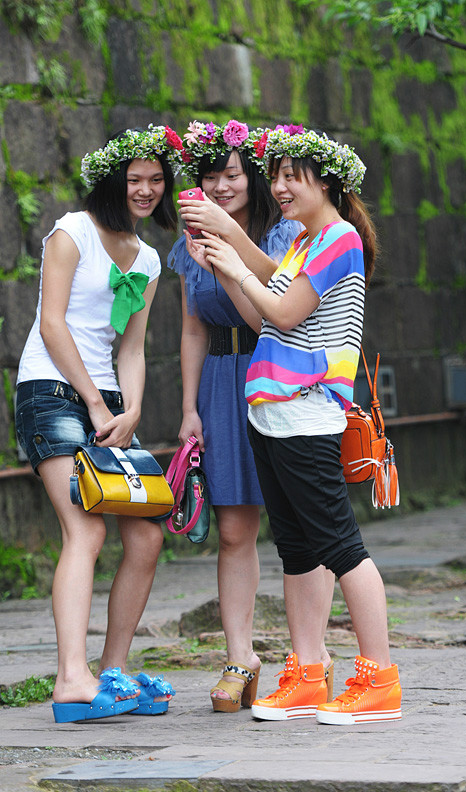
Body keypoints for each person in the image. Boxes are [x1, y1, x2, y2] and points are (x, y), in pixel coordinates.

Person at [190, 125, 402, 725]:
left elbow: (281, 312)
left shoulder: (338, 239)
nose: (278, 186)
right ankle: (308, 674)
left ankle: (378, 676)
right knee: (298, 549)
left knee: (340, 546)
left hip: (308, 412)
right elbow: (265, 305)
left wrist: (234, 258)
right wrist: (227, 255)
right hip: (274, 413)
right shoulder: (305, 243)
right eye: (275, 175)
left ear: (327, 180)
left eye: (292, 175)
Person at [15, 125, 181, 723]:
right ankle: (69, 679)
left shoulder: (151, 258)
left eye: (155, 181)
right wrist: (95, 401)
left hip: (110, 406)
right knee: (86, 531)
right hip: (53, 392)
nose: (144, 190)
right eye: (134, 179)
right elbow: (53, 325)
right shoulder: (71, 233)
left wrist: (131, 409)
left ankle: (108, 670)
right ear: (113, 177)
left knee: (148, 533)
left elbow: (132, 347)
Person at [169, 119, 335, 712]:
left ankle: (309, 659)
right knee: (236, 529)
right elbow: (193, 327)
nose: (220, 187)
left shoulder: (289, 233)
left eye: (232, 174)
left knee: (307, 525)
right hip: (220, 379)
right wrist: (188, 408)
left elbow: (274, 319)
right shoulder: (187, 241)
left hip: (280, 373)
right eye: (209, 176)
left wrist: (229, 258)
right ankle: (241, 658)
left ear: (253, 178)